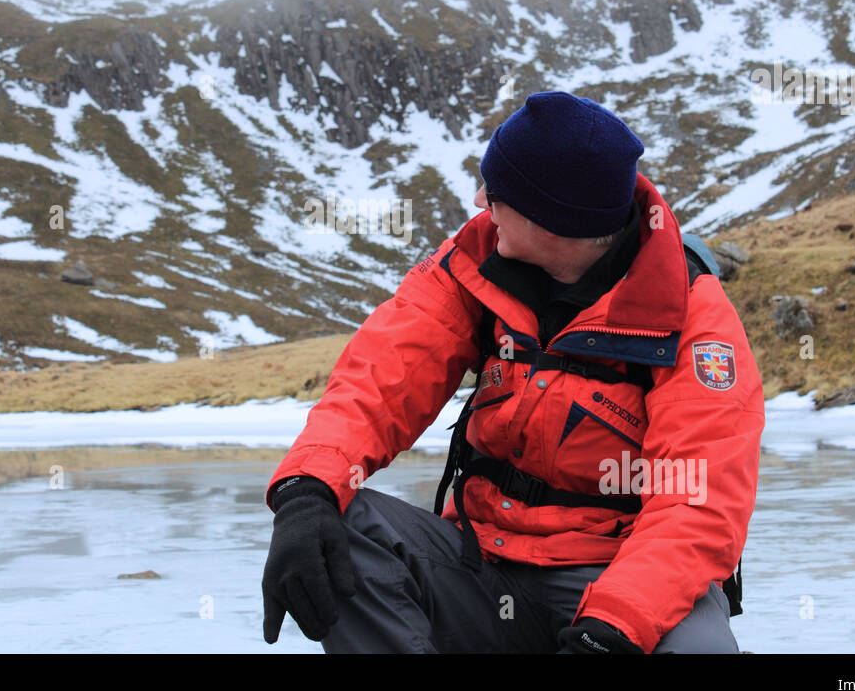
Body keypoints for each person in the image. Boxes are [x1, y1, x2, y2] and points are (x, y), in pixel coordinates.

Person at [261, 91, 764, 653]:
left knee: (699, 652)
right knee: (342, 525)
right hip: (482, 563)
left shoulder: (691, 315)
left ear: (554, 219)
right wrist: (305, 492)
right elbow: (376, 384)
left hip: (618, 573)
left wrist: (612, 629)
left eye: (496, 193)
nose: (480, 202)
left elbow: (697, 502)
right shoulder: (468, 263)